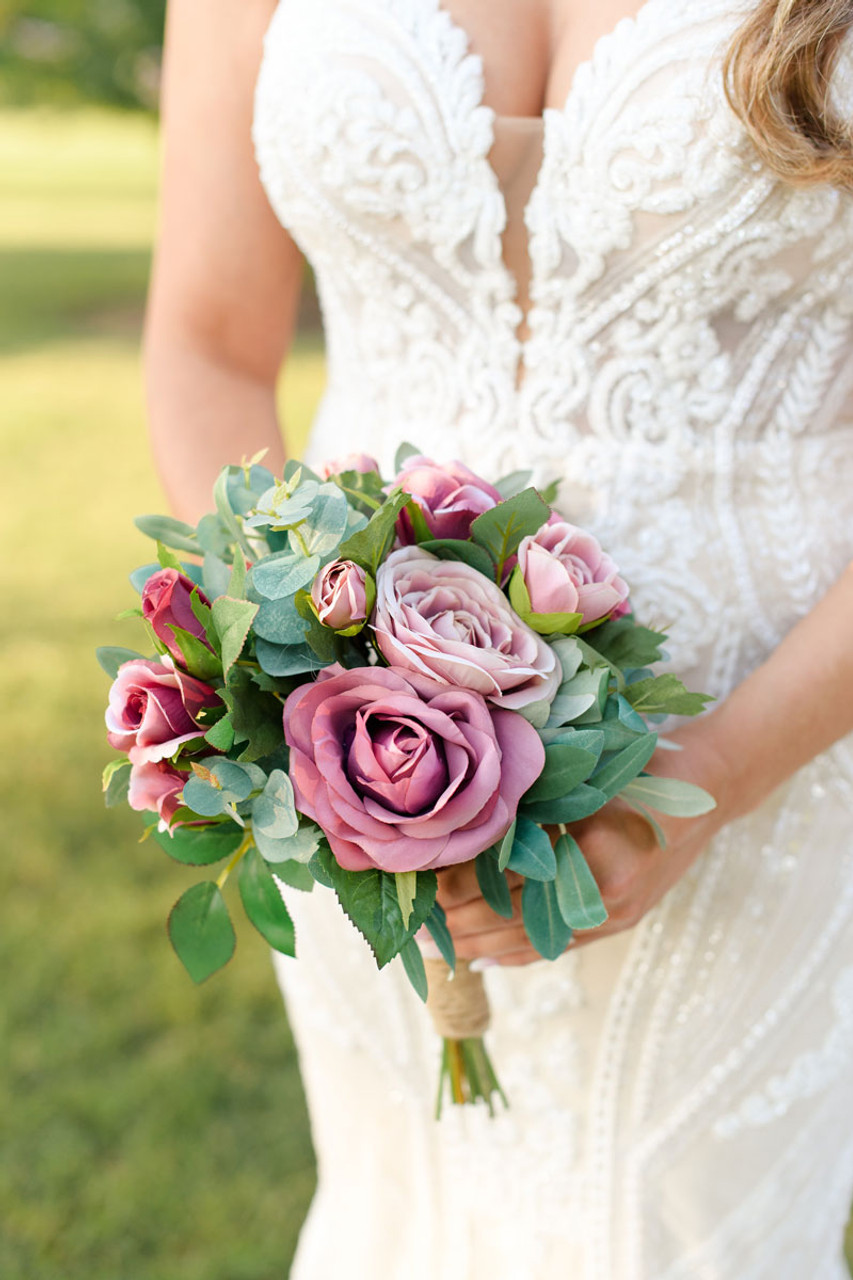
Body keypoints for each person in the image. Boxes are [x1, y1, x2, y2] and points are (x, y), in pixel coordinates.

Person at [143, 1, 853, 1275]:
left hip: (773, 748)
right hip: (361, 758)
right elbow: (207, 342)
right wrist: (287, 666)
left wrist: (710, 783)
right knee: (403, 1210)